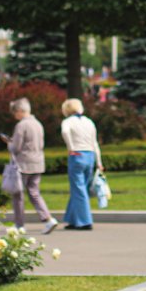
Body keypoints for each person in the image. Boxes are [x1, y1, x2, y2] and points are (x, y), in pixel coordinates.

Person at [1, 97, 56, 234]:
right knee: (34, 192)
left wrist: (8, 143)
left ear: (20, 111)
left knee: (18, 194)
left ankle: (19, 225)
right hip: (37, 162)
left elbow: (16, 148)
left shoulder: (21, 125)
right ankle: (48, 219)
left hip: (24, 164)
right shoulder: (37, 124)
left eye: (15, 113)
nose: (15, 116)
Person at [58, 97, 102, 230]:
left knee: (78, 189)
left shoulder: (68, 122)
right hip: (90, 156)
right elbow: (95, 143)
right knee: (81, 188)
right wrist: (99, 162)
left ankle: (84, 221)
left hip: (77, 155)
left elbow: (65, 132)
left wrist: (71, 148)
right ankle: (72, 219)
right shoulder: (89, 122)